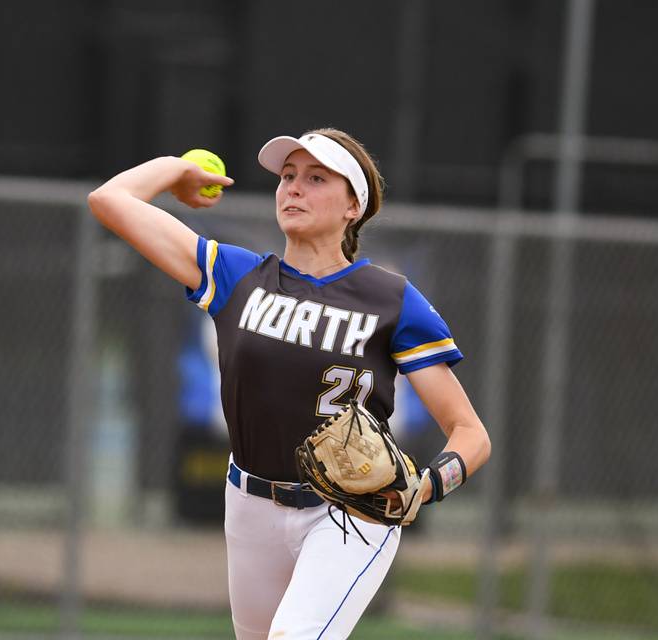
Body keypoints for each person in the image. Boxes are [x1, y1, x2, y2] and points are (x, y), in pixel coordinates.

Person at [87, 128, 491, 639]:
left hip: (348, 514)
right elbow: (109, 201)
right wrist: (174, 170)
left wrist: (429, 486)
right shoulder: (238, 277)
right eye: (287, 176)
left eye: (316, 178)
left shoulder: (391, 299)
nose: (293, 188)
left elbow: (470, 433)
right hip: (249, 504)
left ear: (353, 207)